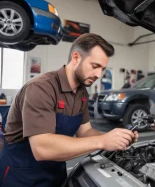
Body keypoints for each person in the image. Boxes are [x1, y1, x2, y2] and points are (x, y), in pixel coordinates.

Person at [0, 33, 138, 187]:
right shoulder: (41, 88)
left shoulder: (82, 93)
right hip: (21, 174)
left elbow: (85, 132)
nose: (99, 75)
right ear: (76, 57)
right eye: (95, 66)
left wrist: (115, 137)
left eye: (103, 69)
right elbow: (42, 148)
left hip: (56, 171)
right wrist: (102, 141)